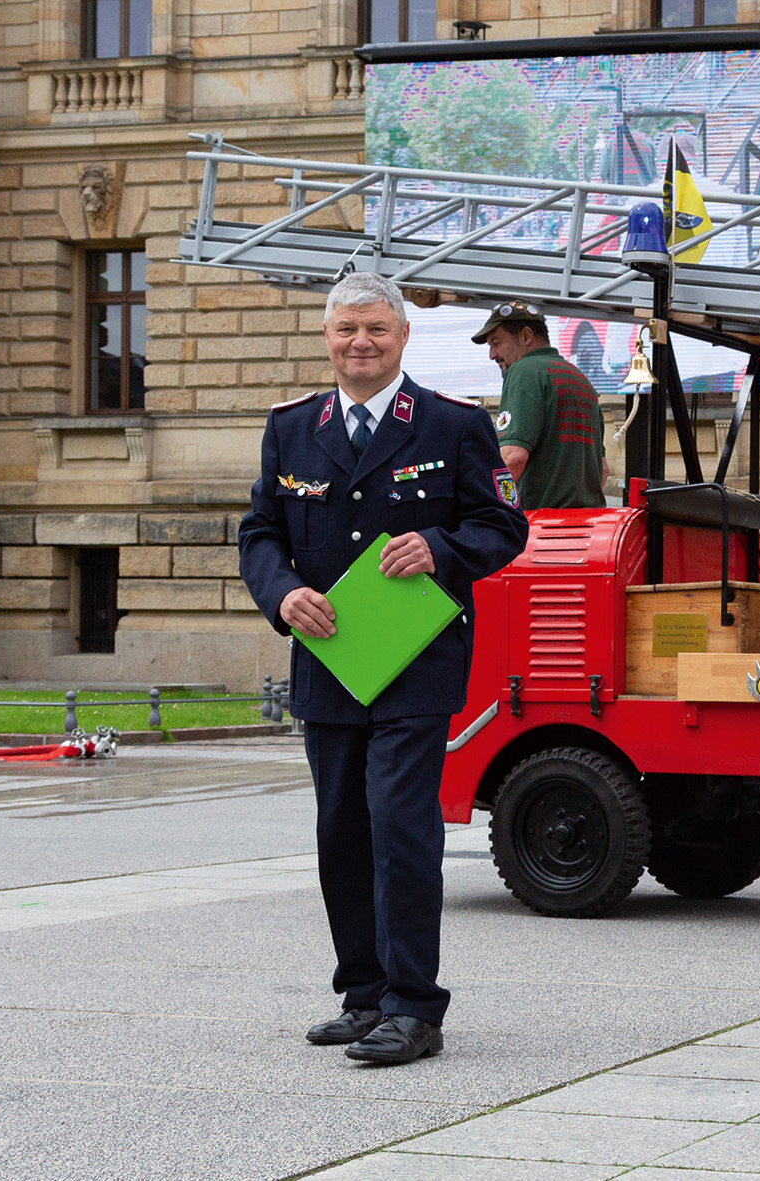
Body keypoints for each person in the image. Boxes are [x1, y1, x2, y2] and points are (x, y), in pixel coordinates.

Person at [238, 273, 528, 1065]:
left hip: (415, 664)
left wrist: (439, 547)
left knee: (400, 827)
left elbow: (504, 526)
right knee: (341, 833)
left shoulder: (452, 423)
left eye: (375, 329)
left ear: (403, 338)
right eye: (345, 330)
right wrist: (283, 592)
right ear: (327, 338)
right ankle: (363, 996)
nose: (360, 343)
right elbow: (259, 531)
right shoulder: (292, 428)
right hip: (330, 664)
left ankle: (413, 1006)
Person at [473, 301, 607, 510]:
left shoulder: (524, 370)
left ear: (526, 336)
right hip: (588, 525)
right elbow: (603, 469)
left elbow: (512, 458)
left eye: (496, 342)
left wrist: (485, 506)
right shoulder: (581, 380)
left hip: (540, 525)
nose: (492, 354)